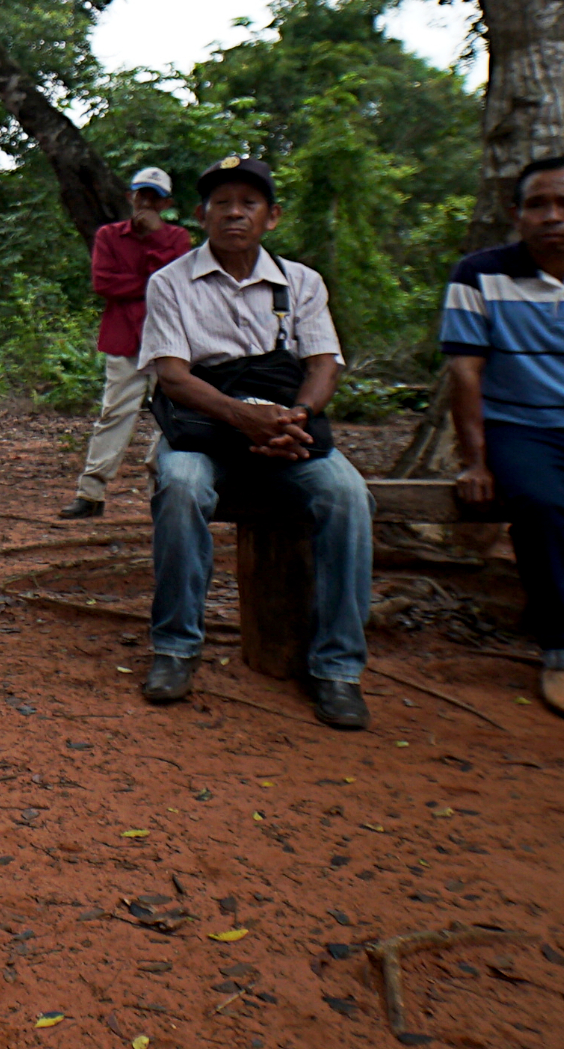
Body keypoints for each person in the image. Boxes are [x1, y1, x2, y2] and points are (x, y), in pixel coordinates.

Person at [137, 156, 375, 729]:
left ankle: (338, 668)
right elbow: (173, 374)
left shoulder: (302, 282)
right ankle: (175, 647)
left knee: (348, 497)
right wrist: (246, 419)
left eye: (249, 203)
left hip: (286, 431)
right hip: (205, 426)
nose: (235, 213)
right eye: (222, 203)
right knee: (179, 484)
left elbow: (323, 364)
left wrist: (294, 416)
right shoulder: (170, 283)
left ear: (272, 217)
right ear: (201, 215)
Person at [441, 154, 564, 724]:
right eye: (537, 204)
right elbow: (465, 371)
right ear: (516, 214)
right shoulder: (479, 274)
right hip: (525, 426)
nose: (552, 216)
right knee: (537, 506)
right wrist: (475, 462)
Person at [60, 167, 195, 519]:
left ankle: (162, 492)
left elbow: (177, 285)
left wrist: (152, 243)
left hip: (171, 340)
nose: (146, 202)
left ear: (166, 202)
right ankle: (91, 493)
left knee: (172, 416)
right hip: (125, 338)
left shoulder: (178, 238)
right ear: (130, 197)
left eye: (154, 196)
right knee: (114, 413)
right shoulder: (109, 235)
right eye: (141, 194)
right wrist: (150, 281)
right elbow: (104, 283)